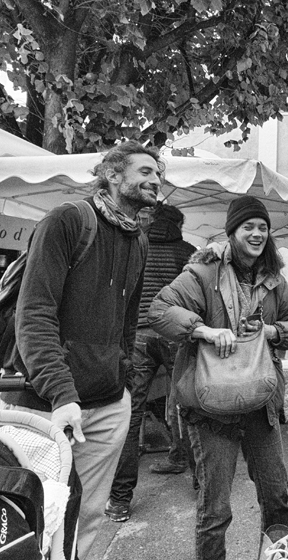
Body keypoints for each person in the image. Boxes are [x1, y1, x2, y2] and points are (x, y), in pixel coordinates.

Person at [2, 141, 162, 560]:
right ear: (112, 174)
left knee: (86, 515)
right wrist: (62, 393)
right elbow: (34, 314)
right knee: (31, 517)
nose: (156, 180)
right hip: (47, 405)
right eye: (145, 171)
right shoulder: (68, 220)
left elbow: (127, 323)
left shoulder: (139, 240)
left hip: (108, 405)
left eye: (159, 174)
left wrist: (122, 381)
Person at [148, 195, 288, 560]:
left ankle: (276, 556)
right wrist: (203, 330)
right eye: (248, 226)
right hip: (211, 410)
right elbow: (159, 310)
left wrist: (270, 331)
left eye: (262, 227)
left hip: (260, 402)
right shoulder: (204, 272)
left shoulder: (273, 278)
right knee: (216, 510)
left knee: (277, 498)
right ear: (232, 231)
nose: (257, 234)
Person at [106, 202, 196, 522]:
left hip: (139, 336)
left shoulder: (134, 246)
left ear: (152, 220)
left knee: (131, 413)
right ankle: (202, 483)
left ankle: (120, 500)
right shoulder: (187, 252)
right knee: (187, 406)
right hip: (175, 336)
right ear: (178, 225)